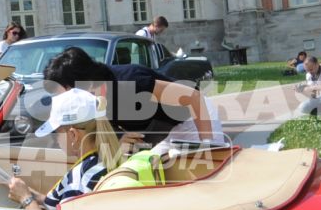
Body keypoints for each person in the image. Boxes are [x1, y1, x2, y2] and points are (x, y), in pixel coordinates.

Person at [41, 46, 221, 144]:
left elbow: (193, 97)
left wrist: (207, 145)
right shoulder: (87, 98)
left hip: (193, 118)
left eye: (62, 93)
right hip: (163, 131)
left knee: (204, 170)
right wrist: (119, 136)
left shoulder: (131, 81)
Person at [6, 88, 126, 210]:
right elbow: (61, 206)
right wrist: (31, 195)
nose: (55, 138)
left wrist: (25, 199)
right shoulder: (98, 163)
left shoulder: (83, 175)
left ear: (73, 135)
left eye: (56, 132)